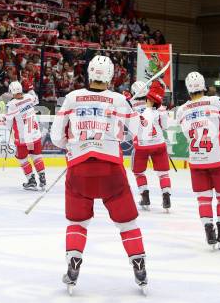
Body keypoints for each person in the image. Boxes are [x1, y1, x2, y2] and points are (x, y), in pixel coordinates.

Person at [51, 55, 147, 294]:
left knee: (77, 222)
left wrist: (71, 145)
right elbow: (140, 132)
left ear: (89, 72)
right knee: (127, 223)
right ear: (111, 75)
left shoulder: (72, 98)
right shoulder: (118, 100)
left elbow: (56, 137)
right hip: (111, 170)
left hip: (79, 169)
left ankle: (74, 262)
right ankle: (139, 264)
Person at [176, 72, 220, 249]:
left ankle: (209, 231)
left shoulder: (181, 110)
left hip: (197, 160)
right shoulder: (215, 101)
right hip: (218, 158)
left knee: (203, 198)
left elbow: (186, 132)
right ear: (203, 85)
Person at [130, 80, 172, 211]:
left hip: (141, 145)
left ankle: (145, 195)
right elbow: (165, 126)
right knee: (163, 173)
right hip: (158, 143)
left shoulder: (129, 106)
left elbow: (129, 128)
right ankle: (166, 195)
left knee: (138, 172)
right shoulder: (158, 105)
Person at [3, 81, 47, 191]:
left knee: (22, 159)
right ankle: (42, 178)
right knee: (36, 156)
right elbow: (36, 99)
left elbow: (8, 121)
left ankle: (31, 180)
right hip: (35, 135)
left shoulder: (12, 105)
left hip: (22, 138)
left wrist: (7, 127)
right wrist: (31, 88)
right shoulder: (29, 97)